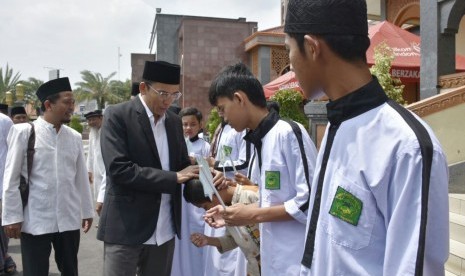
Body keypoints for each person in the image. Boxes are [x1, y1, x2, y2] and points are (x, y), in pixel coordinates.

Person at [283, 1, 450, 275]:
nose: (290, 66)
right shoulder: (338, 127)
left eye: (289, 49)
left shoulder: (406, 148)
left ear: (312, 48)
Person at [206, 62, 317, 275]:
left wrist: (253, 214)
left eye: (222, 109)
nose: (224, 118)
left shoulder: (288, 133)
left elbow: (309, 202)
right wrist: (231, 212)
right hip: (269, 258)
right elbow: (265, 197)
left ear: (239, 99)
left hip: (294, 259)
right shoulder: (259, 141)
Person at [97, 60, 199, 276]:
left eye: (174, 95)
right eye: (163, 93)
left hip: (164, 229)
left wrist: (202, 175)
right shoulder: (117, 115)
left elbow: (181, 165)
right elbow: (119, 170)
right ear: (143, 88)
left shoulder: (173, 121)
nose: (168, 100)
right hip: (126, 228)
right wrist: (173, 178)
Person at [2, 77, 94, 276]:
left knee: (70, 270)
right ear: (48, 105)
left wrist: (87, 210)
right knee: (35, 271)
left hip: (68, 219)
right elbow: (11, 177)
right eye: (67, 102)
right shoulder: (24, 132)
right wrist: (11, 216)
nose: (72, 107)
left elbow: (80, 178)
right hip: (35, 219)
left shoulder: (74, 137)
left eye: (73, 102)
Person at [185, 179, 260, 276]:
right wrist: (207, 240)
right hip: (255, 270)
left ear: (212, 194)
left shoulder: (252, 194)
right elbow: (234, 239)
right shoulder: (226, 209)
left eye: (205, 206)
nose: (208, 211)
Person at [170, 107, 211, 276]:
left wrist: (198, 161)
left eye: (192, 124)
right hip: (180, 200)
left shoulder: (205, 146)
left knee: (197, 239)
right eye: (184, 124)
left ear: (200, 125)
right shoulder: (176, 145)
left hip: (197, 203)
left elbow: (208, 174)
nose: (188, 128)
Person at [0, 113, 16, 275]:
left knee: (2, 230)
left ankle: (4, 258)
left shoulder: (4, 121)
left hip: (2, 186)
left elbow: (14, 152)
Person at [84, 110, 105, 216]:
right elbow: (91, 153)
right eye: (89, 120)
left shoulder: (108, 131)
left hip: (106, 170)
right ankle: (102, 220)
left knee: (105, 197)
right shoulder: (92, 132)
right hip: (97, 170)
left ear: (101, 118)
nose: (91, 122)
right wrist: (89, 171)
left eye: (93, 119)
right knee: (97, 196)